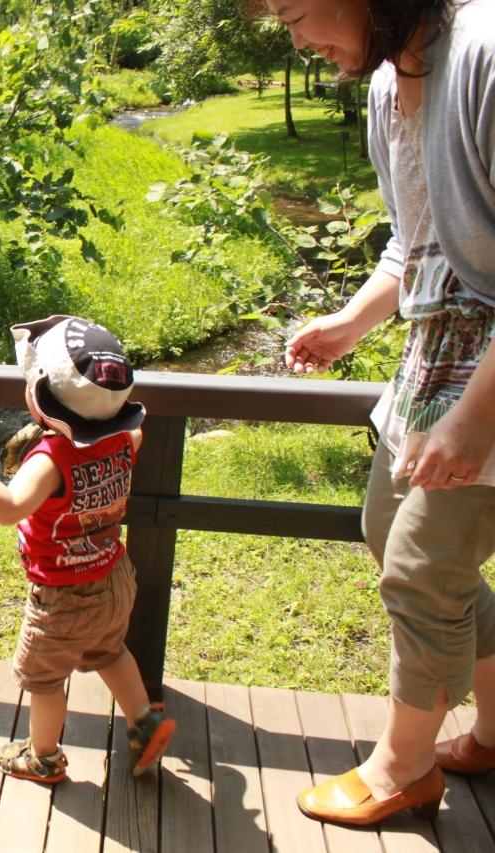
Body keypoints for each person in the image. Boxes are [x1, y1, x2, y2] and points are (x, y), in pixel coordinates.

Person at [267, 0, 495, 827]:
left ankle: (404, 767)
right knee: (385, 528)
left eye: (297, 12)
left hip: (486, 380)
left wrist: (473, 420)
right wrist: (349, 323)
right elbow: (412, 242)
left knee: (422, 567)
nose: (297, 39)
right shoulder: (385, 84)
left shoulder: (484, 52)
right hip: (432, 365)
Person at [0, 315, 175, 783]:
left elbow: (8, 507)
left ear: (42, 398)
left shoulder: (53, 458)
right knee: (110, 651)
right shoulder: (126, 438)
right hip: (114, 575)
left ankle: (42, 756)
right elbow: (131, 433)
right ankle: (145, 721)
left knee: (43, 680)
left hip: (63, 595)